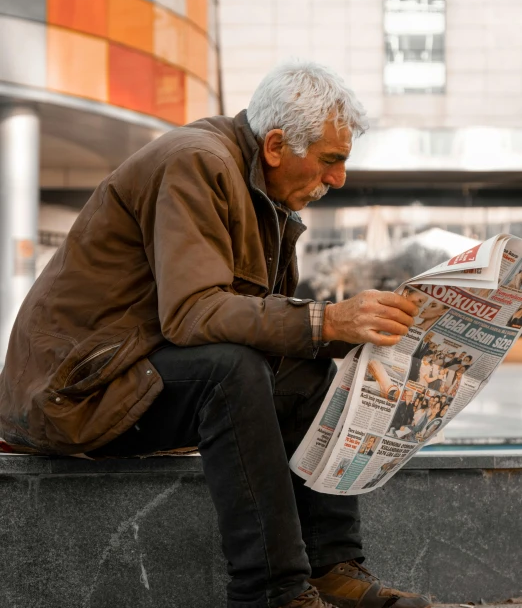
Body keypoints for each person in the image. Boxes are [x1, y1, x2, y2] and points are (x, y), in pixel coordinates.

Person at [0, 60, 429, 608]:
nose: (339, 178)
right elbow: (193, 314)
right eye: (330, 160)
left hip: (135, 372)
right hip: (74, 394)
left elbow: (260, 320)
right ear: (276, 145)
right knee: (231, 373)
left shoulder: (260, 189)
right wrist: (325, 320)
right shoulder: (195, 163)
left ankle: (330, 568)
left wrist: (354, 331)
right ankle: (272, 593)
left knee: (310, 370)